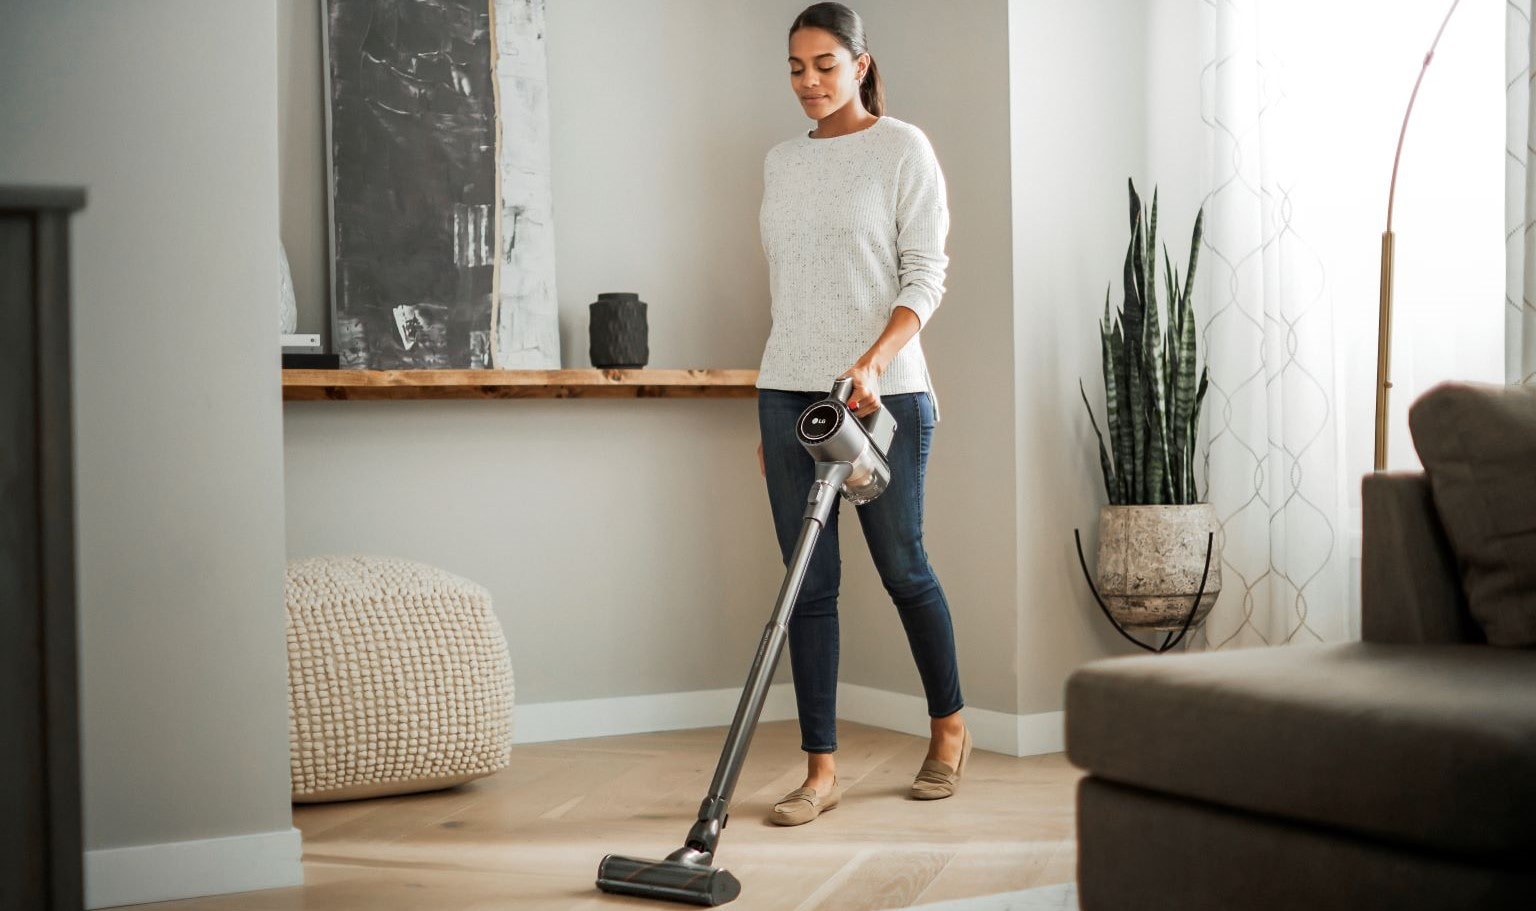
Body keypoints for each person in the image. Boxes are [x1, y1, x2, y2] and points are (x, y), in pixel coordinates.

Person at [755, 1, 968, 827]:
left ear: (862, 64)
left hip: (886, 396)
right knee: (808, 583)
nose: (809, 82)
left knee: (904, 567)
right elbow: (793, 292)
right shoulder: (781, 161)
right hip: (788, 390)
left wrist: (874, 360)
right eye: (797, 69)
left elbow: (926, 275)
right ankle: (820, 770)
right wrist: (772, 407)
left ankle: (949, 729)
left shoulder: (902, 149)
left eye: (825, 66)